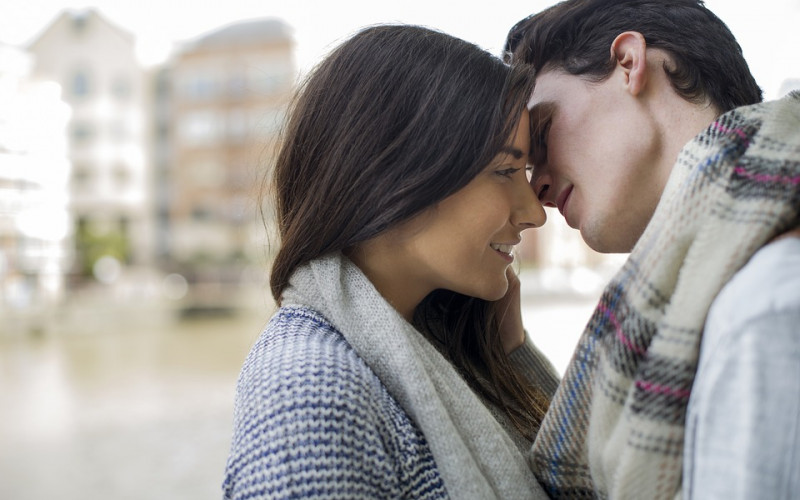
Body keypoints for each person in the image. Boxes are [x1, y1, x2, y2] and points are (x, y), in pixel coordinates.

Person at [222, 24, 560, 499]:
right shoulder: (311, 394)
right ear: (395, 175)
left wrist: (512, 355)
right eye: (505, 171)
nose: (534, 213)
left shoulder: (443, 348)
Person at [505, 1, 800, 498]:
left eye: (542, 133)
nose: (535, 187)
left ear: (628, 63)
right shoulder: (699, 295)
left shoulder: (767, 302)